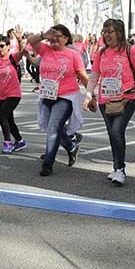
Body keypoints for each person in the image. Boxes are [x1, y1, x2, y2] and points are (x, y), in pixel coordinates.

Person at [84, 19, 135, 186]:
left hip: (126, 98)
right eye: (104, 31)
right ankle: (116, 167)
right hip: (105, 100)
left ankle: (120, 169)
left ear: (119, 32)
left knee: (117, 131)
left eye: (110, 31)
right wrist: (89, 94)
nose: (106, 35)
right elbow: (94, 76)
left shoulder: (129, 50)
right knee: (112, 133)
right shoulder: (101, 52)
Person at [27, 24, 88, 177]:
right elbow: (31, 41)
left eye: (58, 36)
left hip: (66, 96)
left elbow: (82, 76)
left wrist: (91, 95)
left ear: (66, 38)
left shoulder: (73, 55)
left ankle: (48, 164)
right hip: (47, 95)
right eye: (52, 37)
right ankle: (71, 147)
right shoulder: (45, 50)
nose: (53, 39)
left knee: (53, 127)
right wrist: (43, 35)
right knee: (53, 128)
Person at [0, 34, 27, 154]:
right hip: (1, 95)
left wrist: (19, 39)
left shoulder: (12, 58)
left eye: (2, 46)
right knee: (9, 120)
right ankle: (20, 141)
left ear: (8, 46)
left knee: (2, 116)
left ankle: (7, 143)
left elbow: (22, 52)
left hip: (14, 94)